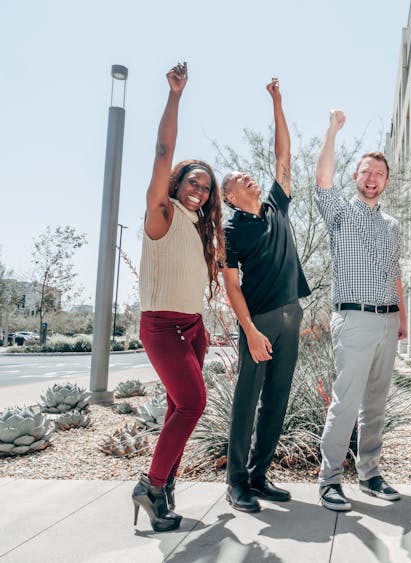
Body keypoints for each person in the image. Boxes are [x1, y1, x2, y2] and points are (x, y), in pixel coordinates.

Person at [133, 62, 225, 532]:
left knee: (178, 407)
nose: (201, 191)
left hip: (192, 328)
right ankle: (151, 485)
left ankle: (164, 486)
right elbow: (163, 149)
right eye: (194, 181)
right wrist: (175, 96)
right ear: (176, 183)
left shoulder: (199, 227)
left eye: (207, 187)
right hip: (162, 326)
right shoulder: (161, 213)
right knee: (192, 403)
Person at [220, 78, 310, 513]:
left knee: (277, 398)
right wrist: (251, 331)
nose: (247, 176)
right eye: (238, 178)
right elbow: (230, 287)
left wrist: (278, 101)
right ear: (229, 196)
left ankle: (258, 476)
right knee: (246, 399)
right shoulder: (231, 230)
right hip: (259, 322)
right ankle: (235, 482)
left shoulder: (276, 205)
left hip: (291, 313)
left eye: (247, 174)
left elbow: (283, 156)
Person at [314, 109, 407, 512]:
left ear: (386, 182)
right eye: (366, 172)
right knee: (346, 402)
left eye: (379, 174)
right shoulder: (340, 213)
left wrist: (400, 317)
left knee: (375, 403)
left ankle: (370, 474)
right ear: (356, 176)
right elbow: (322, 180)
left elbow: (395, 272)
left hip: (388, 320)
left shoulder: (392, 225)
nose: (372, 179)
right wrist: (333, 131)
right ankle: (329, 480)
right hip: (353, 319)